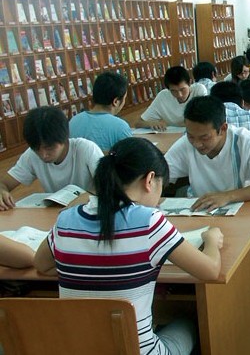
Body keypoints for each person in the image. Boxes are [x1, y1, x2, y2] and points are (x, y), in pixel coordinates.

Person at [34, 137, 223, 355]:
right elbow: (210, 271)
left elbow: (41, 264)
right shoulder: (149, 221)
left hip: (79, 348)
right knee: (189, 321)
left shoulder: (66, 219)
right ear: (150, 180)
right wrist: (211, 240)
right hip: (137, 350)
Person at [164, 96, 250, 254]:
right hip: (201, 221)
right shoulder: (186, 143)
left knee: (224, 253)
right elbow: (161, 175)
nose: (196, 144)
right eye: (191, 136)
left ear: (223, 128)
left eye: (205, 138)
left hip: (247, 223)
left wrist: (227, 196)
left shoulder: (246, 141)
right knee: (175, 251)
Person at [0, 106, 103, 211]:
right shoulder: (31, 155)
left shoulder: (86, 149)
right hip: (55, 214)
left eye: (49, 148)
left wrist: (88, 195)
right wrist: (2, 191)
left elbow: (109, 183)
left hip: (86, 213)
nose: (43, 155)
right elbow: (4, 183)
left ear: (64, 138)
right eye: (36, 149)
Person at [69, 71, 132, 151]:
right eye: (124, 98)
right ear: (115, 101)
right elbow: (131, 160)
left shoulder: (74, 121)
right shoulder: (120, 127)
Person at [135, 66, 206, 130]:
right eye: (173, 91)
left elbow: (206, 119)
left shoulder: (199, 90)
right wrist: (150, 123)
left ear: (190, 83)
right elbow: (138, 123)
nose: (179, 95)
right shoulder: (163, 96)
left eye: (182, 89)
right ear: (168, 89)